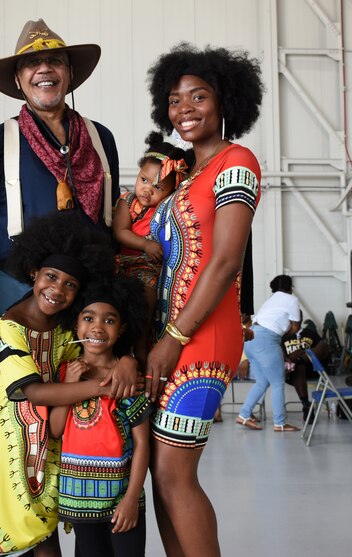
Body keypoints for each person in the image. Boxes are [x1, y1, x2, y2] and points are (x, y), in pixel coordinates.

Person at [0, 18, 121, 378]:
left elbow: (113, 227)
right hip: (14, 297)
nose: (44, 68)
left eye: (55, 60)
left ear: (69, 73)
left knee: (84, 419)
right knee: (19, 413)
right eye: (31, 63)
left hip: (88, 304)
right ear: (18, 79)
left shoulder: (101, 139)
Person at [144, 43, 264, 557]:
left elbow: (225, 262)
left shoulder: (237, 163)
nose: (185, 109)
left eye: (199, 96)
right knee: (159, 476)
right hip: (171, 334)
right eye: (174, 99)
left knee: (174, 473)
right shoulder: (185, 174)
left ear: (225, 103)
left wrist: (173, 337)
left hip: (201, 335)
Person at [0, 213, 134, 557]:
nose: (57, 289)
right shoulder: (7, 326)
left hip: (52, 433)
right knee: (18, 529)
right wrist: (103, 389)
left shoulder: (64, 328)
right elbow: (31, 391)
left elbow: (99, 352)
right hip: (8, 436)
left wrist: (128, 360)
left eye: (70, 284)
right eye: (51, 276)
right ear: (33, 272)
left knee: (45, 529)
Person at [49, 277, 151, 557]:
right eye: (88, 318)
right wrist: (68, 387)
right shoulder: (65, 371)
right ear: (76, 325)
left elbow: (142, 443)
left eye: (109, 321)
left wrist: (132, 498)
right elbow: (56, 430)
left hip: (122, 499)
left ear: (122, 330)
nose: (97, 327)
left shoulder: (127, 378)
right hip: (79, 500)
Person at [113, 132, 188, 367]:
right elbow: (120, 232)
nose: (147, 189)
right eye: (144, 180)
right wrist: (145, 244)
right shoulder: (128, 202)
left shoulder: (168, 209)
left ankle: (142, 338)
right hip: (124, 261)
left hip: (150, 267)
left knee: (149, 296)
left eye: (157, 187)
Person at [237, 275, 302, 432]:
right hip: (267, 339)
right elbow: (295, 327)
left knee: (262, 382)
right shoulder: (291, 299)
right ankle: (280, 423)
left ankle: (244, 415)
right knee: (278, 382)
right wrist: (282, 335)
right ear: (290, 287)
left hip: (250, 338)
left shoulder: (270, 301)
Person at [282, 318, 331, 421]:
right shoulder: (283, 335)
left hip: (312, 368)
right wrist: (292, 357)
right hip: (292, 371)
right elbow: (279, 354)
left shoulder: (309, 333)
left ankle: (300, 359)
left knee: (323, 344)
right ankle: (306, 405)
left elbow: (322, 349)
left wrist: (304, 353)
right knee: (299, 365)